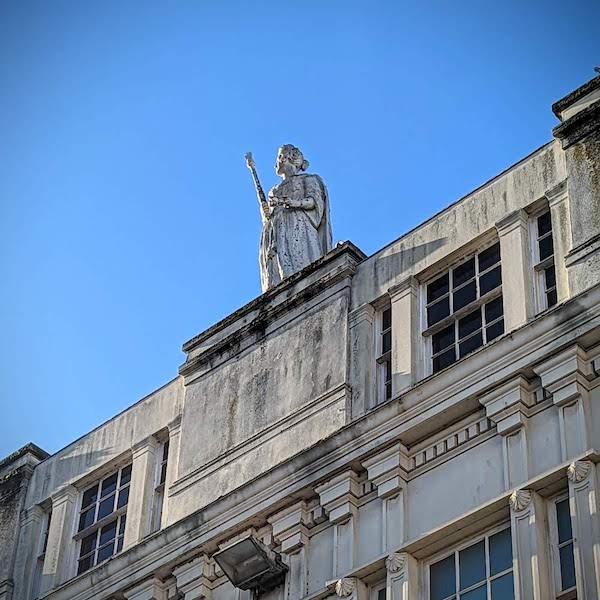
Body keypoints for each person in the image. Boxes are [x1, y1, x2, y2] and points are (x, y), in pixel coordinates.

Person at [253, 144, 332, 291]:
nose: (276, 162)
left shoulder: (309, 179)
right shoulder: (274, 190)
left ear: (288, 157)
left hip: (298, 226)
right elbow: (269, 216)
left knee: (302, 268)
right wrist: (266, 213)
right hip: (276, 232)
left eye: (279, 157)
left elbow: (313, 202)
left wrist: (291, 202)